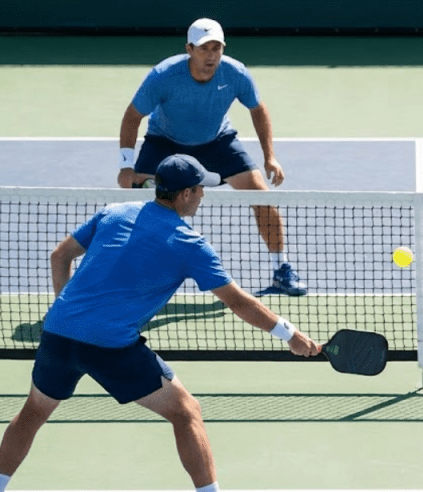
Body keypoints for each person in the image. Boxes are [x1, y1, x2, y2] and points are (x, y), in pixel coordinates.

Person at [0, 154, 322, 492]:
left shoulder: (114, 212)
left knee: (33, 412)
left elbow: (60, 255)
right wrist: (290, 334)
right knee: (186, 411)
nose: (203, 194)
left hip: (58, 333)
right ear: (186, 194)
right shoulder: (189, 244)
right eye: (200, 188)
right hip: (110, 346)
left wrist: (68, 310)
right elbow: (238, 302)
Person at [117, 17, 307, 297]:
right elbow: (133, 116)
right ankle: (131, 273)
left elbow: (258, 109)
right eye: (204, 48)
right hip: (164, 143)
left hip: (217, 142)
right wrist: (126, 166)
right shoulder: (164, 75)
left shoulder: (235, 73)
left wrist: (270, 157)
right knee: (137, 202)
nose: (211, 54)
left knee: (262, 196)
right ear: (189, 49)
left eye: (216, 47)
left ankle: (281, 270)